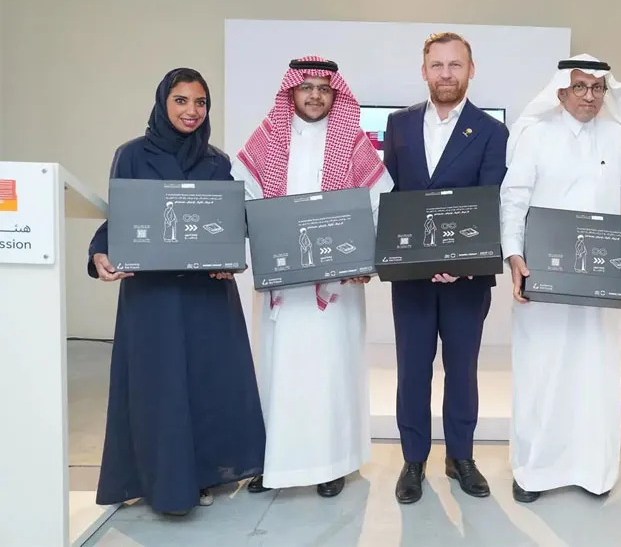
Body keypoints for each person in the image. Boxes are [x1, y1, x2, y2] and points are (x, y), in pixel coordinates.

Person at [88, 68, 266, 517]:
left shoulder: (217, 161)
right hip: (154, 296)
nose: (192, 111)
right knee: (159, 386)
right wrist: (98, 253)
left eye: (200, 102)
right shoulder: (131, 155)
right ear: (163, 103)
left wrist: (232, 257)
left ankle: (203, 475)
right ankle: (162, 482)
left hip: (207, 296)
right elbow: (119, 217)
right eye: (181, 100)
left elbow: (229, 223)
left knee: (206, 384)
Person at [233, 56, 393, 498]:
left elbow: (380, 205)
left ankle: (331, 464)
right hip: (283, 290)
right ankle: (272, 463)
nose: (316, 95)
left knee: (329, 374)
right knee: (278, 374)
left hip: (337, 289)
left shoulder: (355, 143)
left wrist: (365, 261)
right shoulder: (266, 138)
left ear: (335, 94)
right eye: (307, 87)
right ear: (292, 91)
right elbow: (243, 200)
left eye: (324, 88)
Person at [499, 55, 621, 503]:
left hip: (602, 280)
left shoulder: (619, 136)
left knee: (597, 372)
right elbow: (514, 199)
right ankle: (533, 471)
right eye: (580, 87)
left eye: (598, 88)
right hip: (545, 275)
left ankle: (594, 471)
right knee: (543, 371)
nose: (590, 96)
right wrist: (513, 255)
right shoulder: (536, 134)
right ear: (561, 92)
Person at [382, 32, 508, 504]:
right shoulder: (398, 124)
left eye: (456, 65)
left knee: (462, 370)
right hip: (411, 277)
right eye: (437, 65)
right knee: (413, 371)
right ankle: (414, 461)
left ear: (471, 70)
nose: (446, 74)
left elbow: (491, 200)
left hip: (467, 280)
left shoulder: (491, 131)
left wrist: (461, 263)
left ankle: (461, 458)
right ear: (424, 71)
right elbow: (392, 197)